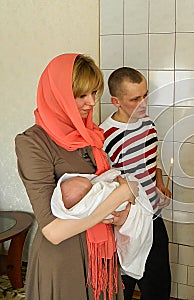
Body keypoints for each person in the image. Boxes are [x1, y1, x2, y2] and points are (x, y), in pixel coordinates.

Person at [15, 53, 137, 300]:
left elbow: (103, 186)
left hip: (101, 254)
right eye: (81, 95)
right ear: (57, 94)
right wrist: (119, 197)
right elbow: (53, 231)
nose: (91, 102)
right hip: (64, 259)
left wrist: (121, 212)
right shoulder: (33, 142)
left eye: (94, 93)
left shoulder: (89, 135)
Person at [100, 67, 171, 300]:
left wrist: (159, 183)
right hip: (125, 225)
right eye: (135, 99)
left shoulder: (148, 124)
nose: (143, 103)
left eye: (145, 95)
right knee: (122, 289)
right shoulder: (105, 136)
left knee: (158, 286)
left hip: (154, 218)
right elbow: (105, 184)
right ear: (115, 101)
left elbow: (153, 161)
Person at [51, 170, 154, 281]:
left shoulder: (94, 155)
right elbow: (53, 233)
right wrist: (122, 193)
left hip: (120, 226)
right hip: (81, 252)